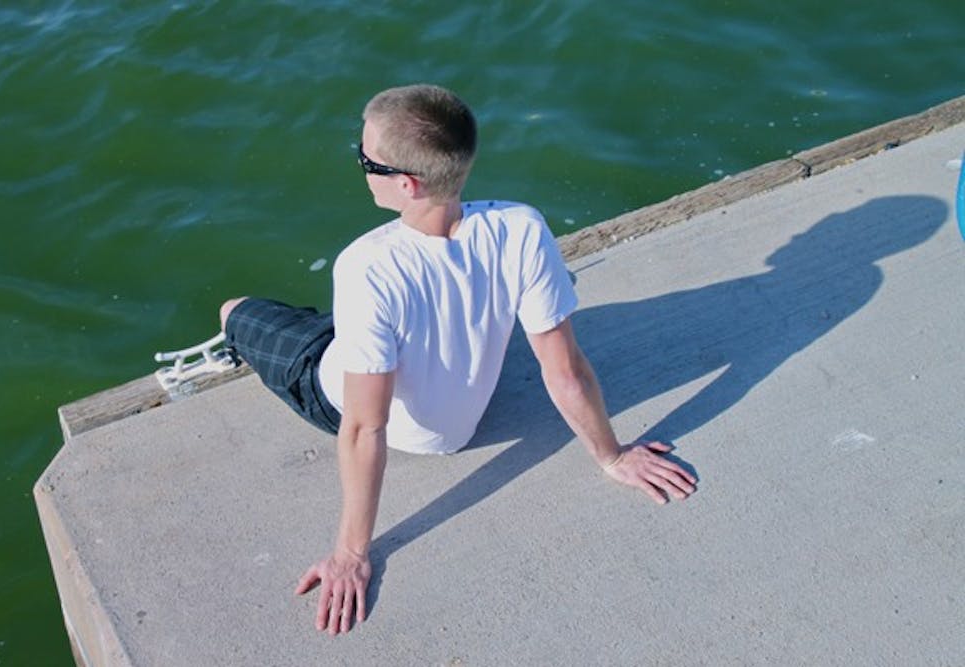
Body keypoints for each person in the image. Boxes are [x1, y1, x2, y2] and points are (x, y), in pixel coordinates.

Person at [219, 84, 697, 636]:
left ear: (406, 183)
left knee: (238, 310)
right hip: (461, 416)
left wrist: (352, 555)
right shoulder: (521, 227)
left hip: (338, 387)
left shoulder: (365, 268)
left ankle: (245, 331)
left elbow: (363, 426)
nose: (360, 164)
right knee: (352, 325)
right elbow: (565, 371)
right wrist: (611, 457)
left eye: (365, 158)